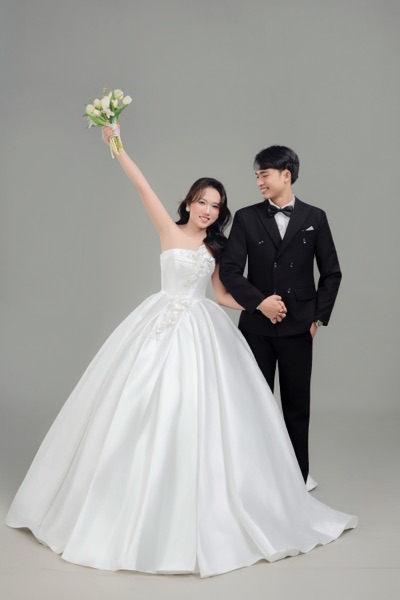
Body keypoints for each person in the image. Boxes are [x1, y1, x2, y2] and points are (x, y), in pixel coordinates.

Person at [5, 127, 356, 577]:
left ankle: (267, 489)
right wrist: (116, 143)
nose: (209, 210)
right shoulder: (167, 230)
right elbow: (141, 186)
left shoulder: (217, 246)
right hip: (157, 326)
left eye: (216, 206)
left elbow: (223, 294)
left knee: (207, 410)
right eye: (202, 202)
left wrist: (261, 307)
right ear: (188, 203)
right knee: (140, 405)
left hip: (202, 326)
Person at [219, 145, 342, 491]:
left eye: (265, 174)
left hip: (299, 327)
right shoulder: (246, 217)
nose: (259, 181)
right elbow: (230, 271)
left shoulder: (315, 217)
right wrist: (260, 303)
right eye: (257, 175)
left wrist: (317, 320)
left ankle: (296, 479)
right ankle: (253, 479)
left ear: (286, 175)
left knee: (296, 407)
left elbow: (331, 273)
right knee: (254, 405)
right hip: (256, 329)